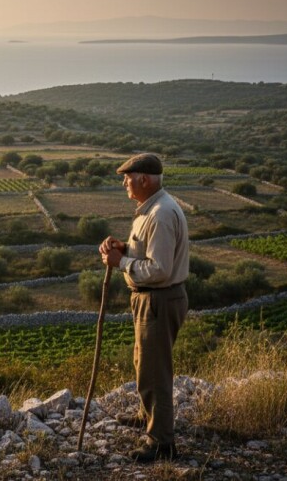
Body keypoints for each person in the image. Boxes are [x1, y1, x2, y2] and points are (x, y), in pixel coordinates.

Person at [99, 153, 189, 463]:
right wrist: (124, 248)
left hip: (158, 299)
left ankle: (161, 443)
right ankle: (146, 415)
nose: (124, 182)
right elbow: (147, 253)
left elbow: (160, 269)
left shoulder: (161, 214)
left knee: (155, 372)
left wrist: (121, 262)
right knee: (144, 363)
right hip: (150, 298)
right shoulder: (150, 210)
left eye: (128, 177)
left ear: (144, 180)